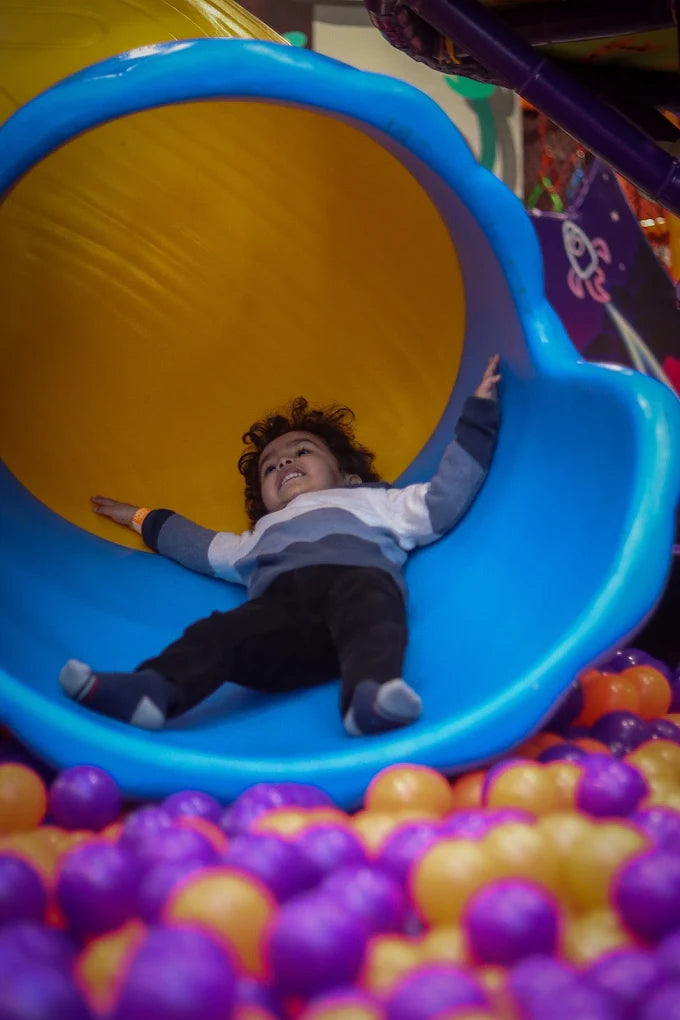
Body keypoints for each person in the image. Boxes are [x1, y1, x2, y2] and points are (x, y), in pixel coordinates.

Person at [59, 356, 501, 737]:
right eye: (269, 466)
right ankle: (152, 690)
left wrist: (478, 416)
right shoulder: (260, 536)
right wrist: (139, 517)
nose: (284, 462)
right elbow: (197, 545)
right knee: (218, 631)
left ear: (349, 476)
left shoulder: (377, 500)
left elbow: (445, 497)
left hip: (354, 602)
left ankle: (368, 698)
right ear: (264, 501)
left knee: (370, 602)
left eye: (301, 450)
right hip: (281, 631)